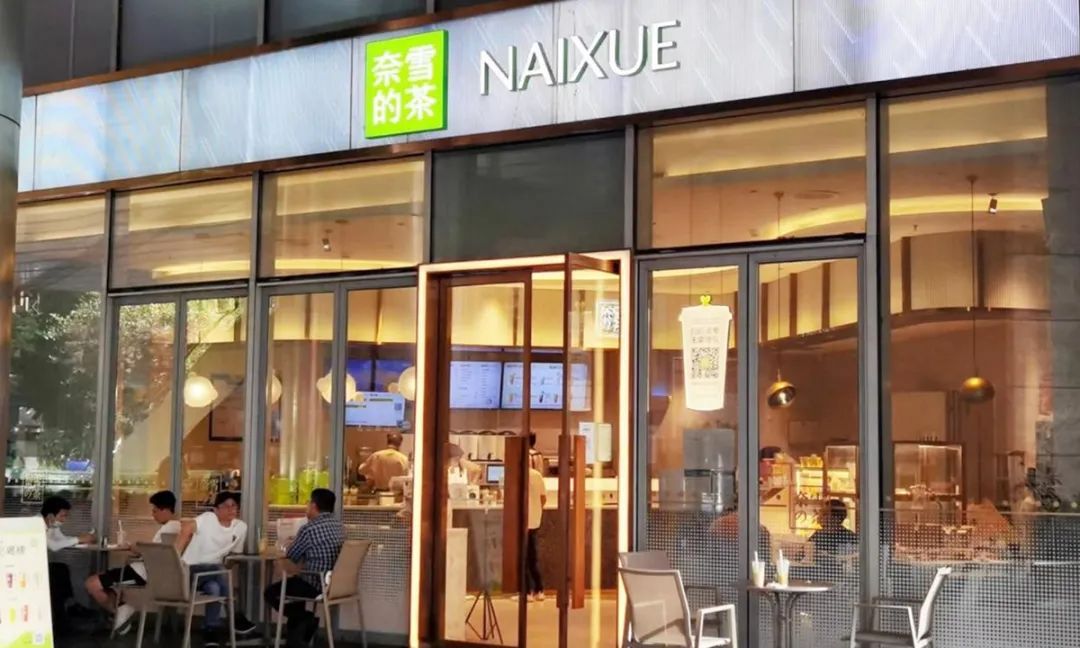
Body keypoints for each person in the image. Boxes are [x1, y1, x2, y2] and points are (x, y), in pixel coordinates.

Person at [85, 490, 180, 635]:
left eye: (155, 511)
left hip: (142, 573)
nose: (152, 514)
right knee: (105, 583)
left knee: (92, 584)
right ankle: (121, 613)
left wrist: (135, 548)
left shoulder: (170, 530)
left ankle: (122, 612)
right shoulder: (176, 528)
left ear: (165, 510)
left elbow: (158, 555)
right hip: (145, 571)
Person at [264, 489, 346, 647]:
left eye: (308, 503)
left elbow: (292, 556)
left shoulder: (309, 529)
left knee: (271, 593)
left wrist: (290, 544)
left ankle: (306, 619)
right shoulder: (339, 526)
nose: (306, 506)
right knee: (295, 590)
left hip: (314, 583)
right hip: (334, 583)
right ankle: (296, 640)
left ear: (314, 505)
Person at [176, 491, 256, 645]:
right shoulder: (208, 518)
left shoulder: (240, 527)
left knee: (215, 588)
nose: (231, 509)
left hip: (213, 573)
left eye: (234, 506)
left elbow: (234, 555)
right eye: (225, 506)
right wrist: (175, 556)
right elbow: (187, 527)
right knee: (219, 570)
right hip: (190, 569)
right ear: (216, 509)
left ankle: (210, 631)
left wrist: (224, 574)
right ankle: (235, 616)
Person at [42, 496, 95, 629]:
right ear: (50, 515)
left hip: (41, 566)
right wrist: (79, 539)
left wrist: (81, 539)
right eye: (62, 516)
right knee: (57, 574)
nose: (64, 520)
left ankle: (70, 606)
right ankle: (65, 616)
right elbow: (53, 545)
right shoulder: (38, 525)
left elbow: (62, 539)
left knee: (61, 568)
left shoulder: (52, 526)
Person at [525, 465, 547, 602]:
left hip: (523, 522)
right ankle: (539, 589)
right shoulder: (537, 475)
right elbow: (543, 498)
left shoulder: (515, 476)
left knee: (524, 559)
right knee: (532, 557)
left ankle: (528, 591)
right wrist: (536, 511)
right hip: (534, 521)